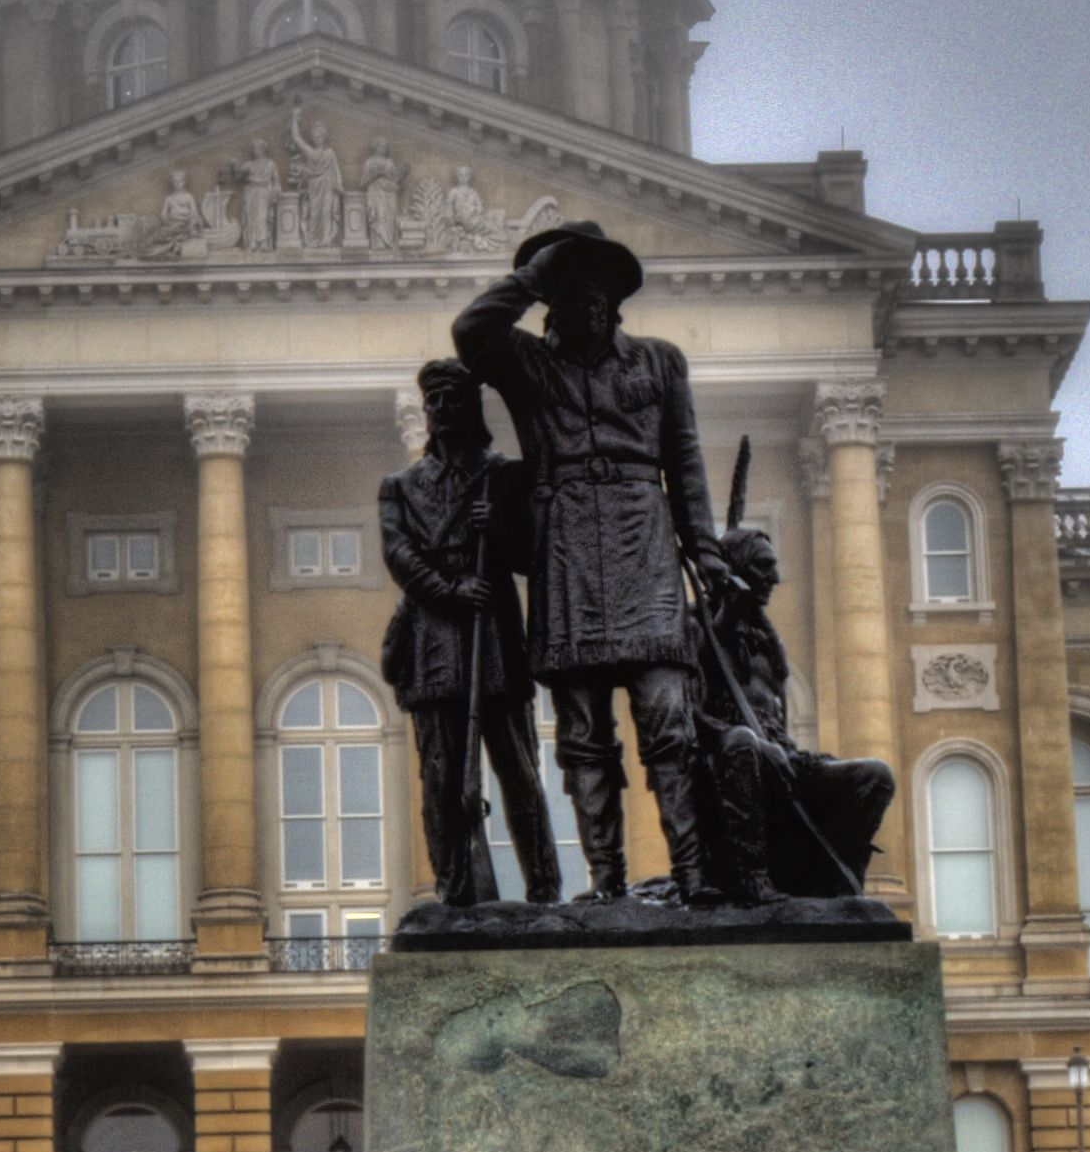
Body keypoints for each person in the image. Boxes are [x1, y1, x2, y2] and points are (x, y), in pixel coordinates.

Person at [450, 220, 731, 903]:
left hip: (643, 541)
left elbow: (685, 462)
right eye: (565, 291)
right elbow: (469, 333)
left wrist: (705, 549)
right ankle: (607, 884)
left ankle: (694, 875)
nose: (581, 304)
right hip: (566, 546)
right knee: (581, 735)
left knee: (668, 718)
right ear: (550, 301)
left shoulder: (660, 362)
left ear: (612, 297)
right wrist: (528, 276)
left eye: (591, 288)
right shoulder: (527, 362)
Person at [377, 359, 557, 910]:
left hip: (495, 635)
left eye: (452, 399)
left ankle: (544, 889)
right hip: (434, 637)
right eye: (433, 402)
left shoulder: (502, 475)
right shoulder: (401, 487)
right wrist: (450, 591)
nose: (442, 410)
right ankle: (455, 889)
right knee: (441, 776)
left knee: (518, 770)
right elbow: (399, 554)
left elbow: (532, 556)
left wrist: (496, 529)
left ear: (470, 406)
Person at [692, 519, 894, 899]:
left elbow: (777, 718)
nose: (775, 577)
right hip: (722, 766)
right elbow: (684, 716)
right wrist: (748, 741)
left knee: (874, 776)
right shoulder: (696, 629)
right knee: (741, 743)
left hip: (780, 761)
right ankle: (752, 879)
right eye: (764, 567)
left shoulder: (767, 640)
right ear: (734, 572)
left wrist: (776, 748)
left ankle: (836, 888)